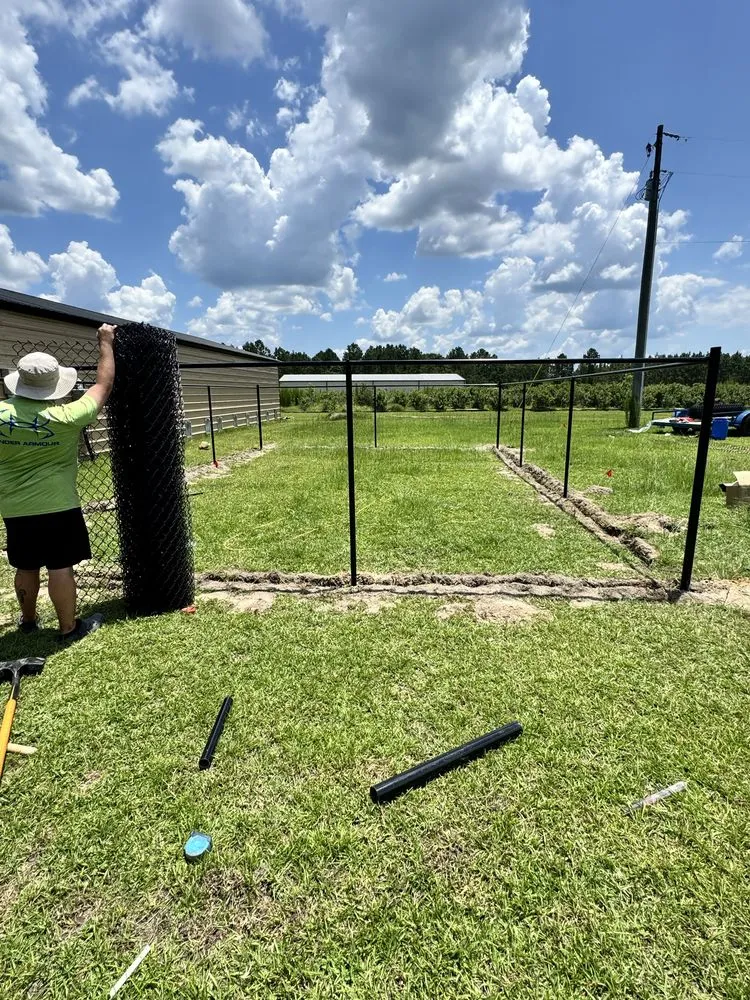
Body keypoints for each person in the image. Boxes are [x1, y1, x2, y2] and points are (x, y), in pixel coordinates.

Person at [0, 324, 116, 641]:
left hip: (14, 507)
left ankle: (28, 620)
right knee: (60, 567)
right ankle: (68, 628)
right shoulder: (68, 416)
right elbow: (104, 384)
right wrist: (105, 341)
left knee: (25, 567)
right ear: (54, 386)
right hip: (59, 504)